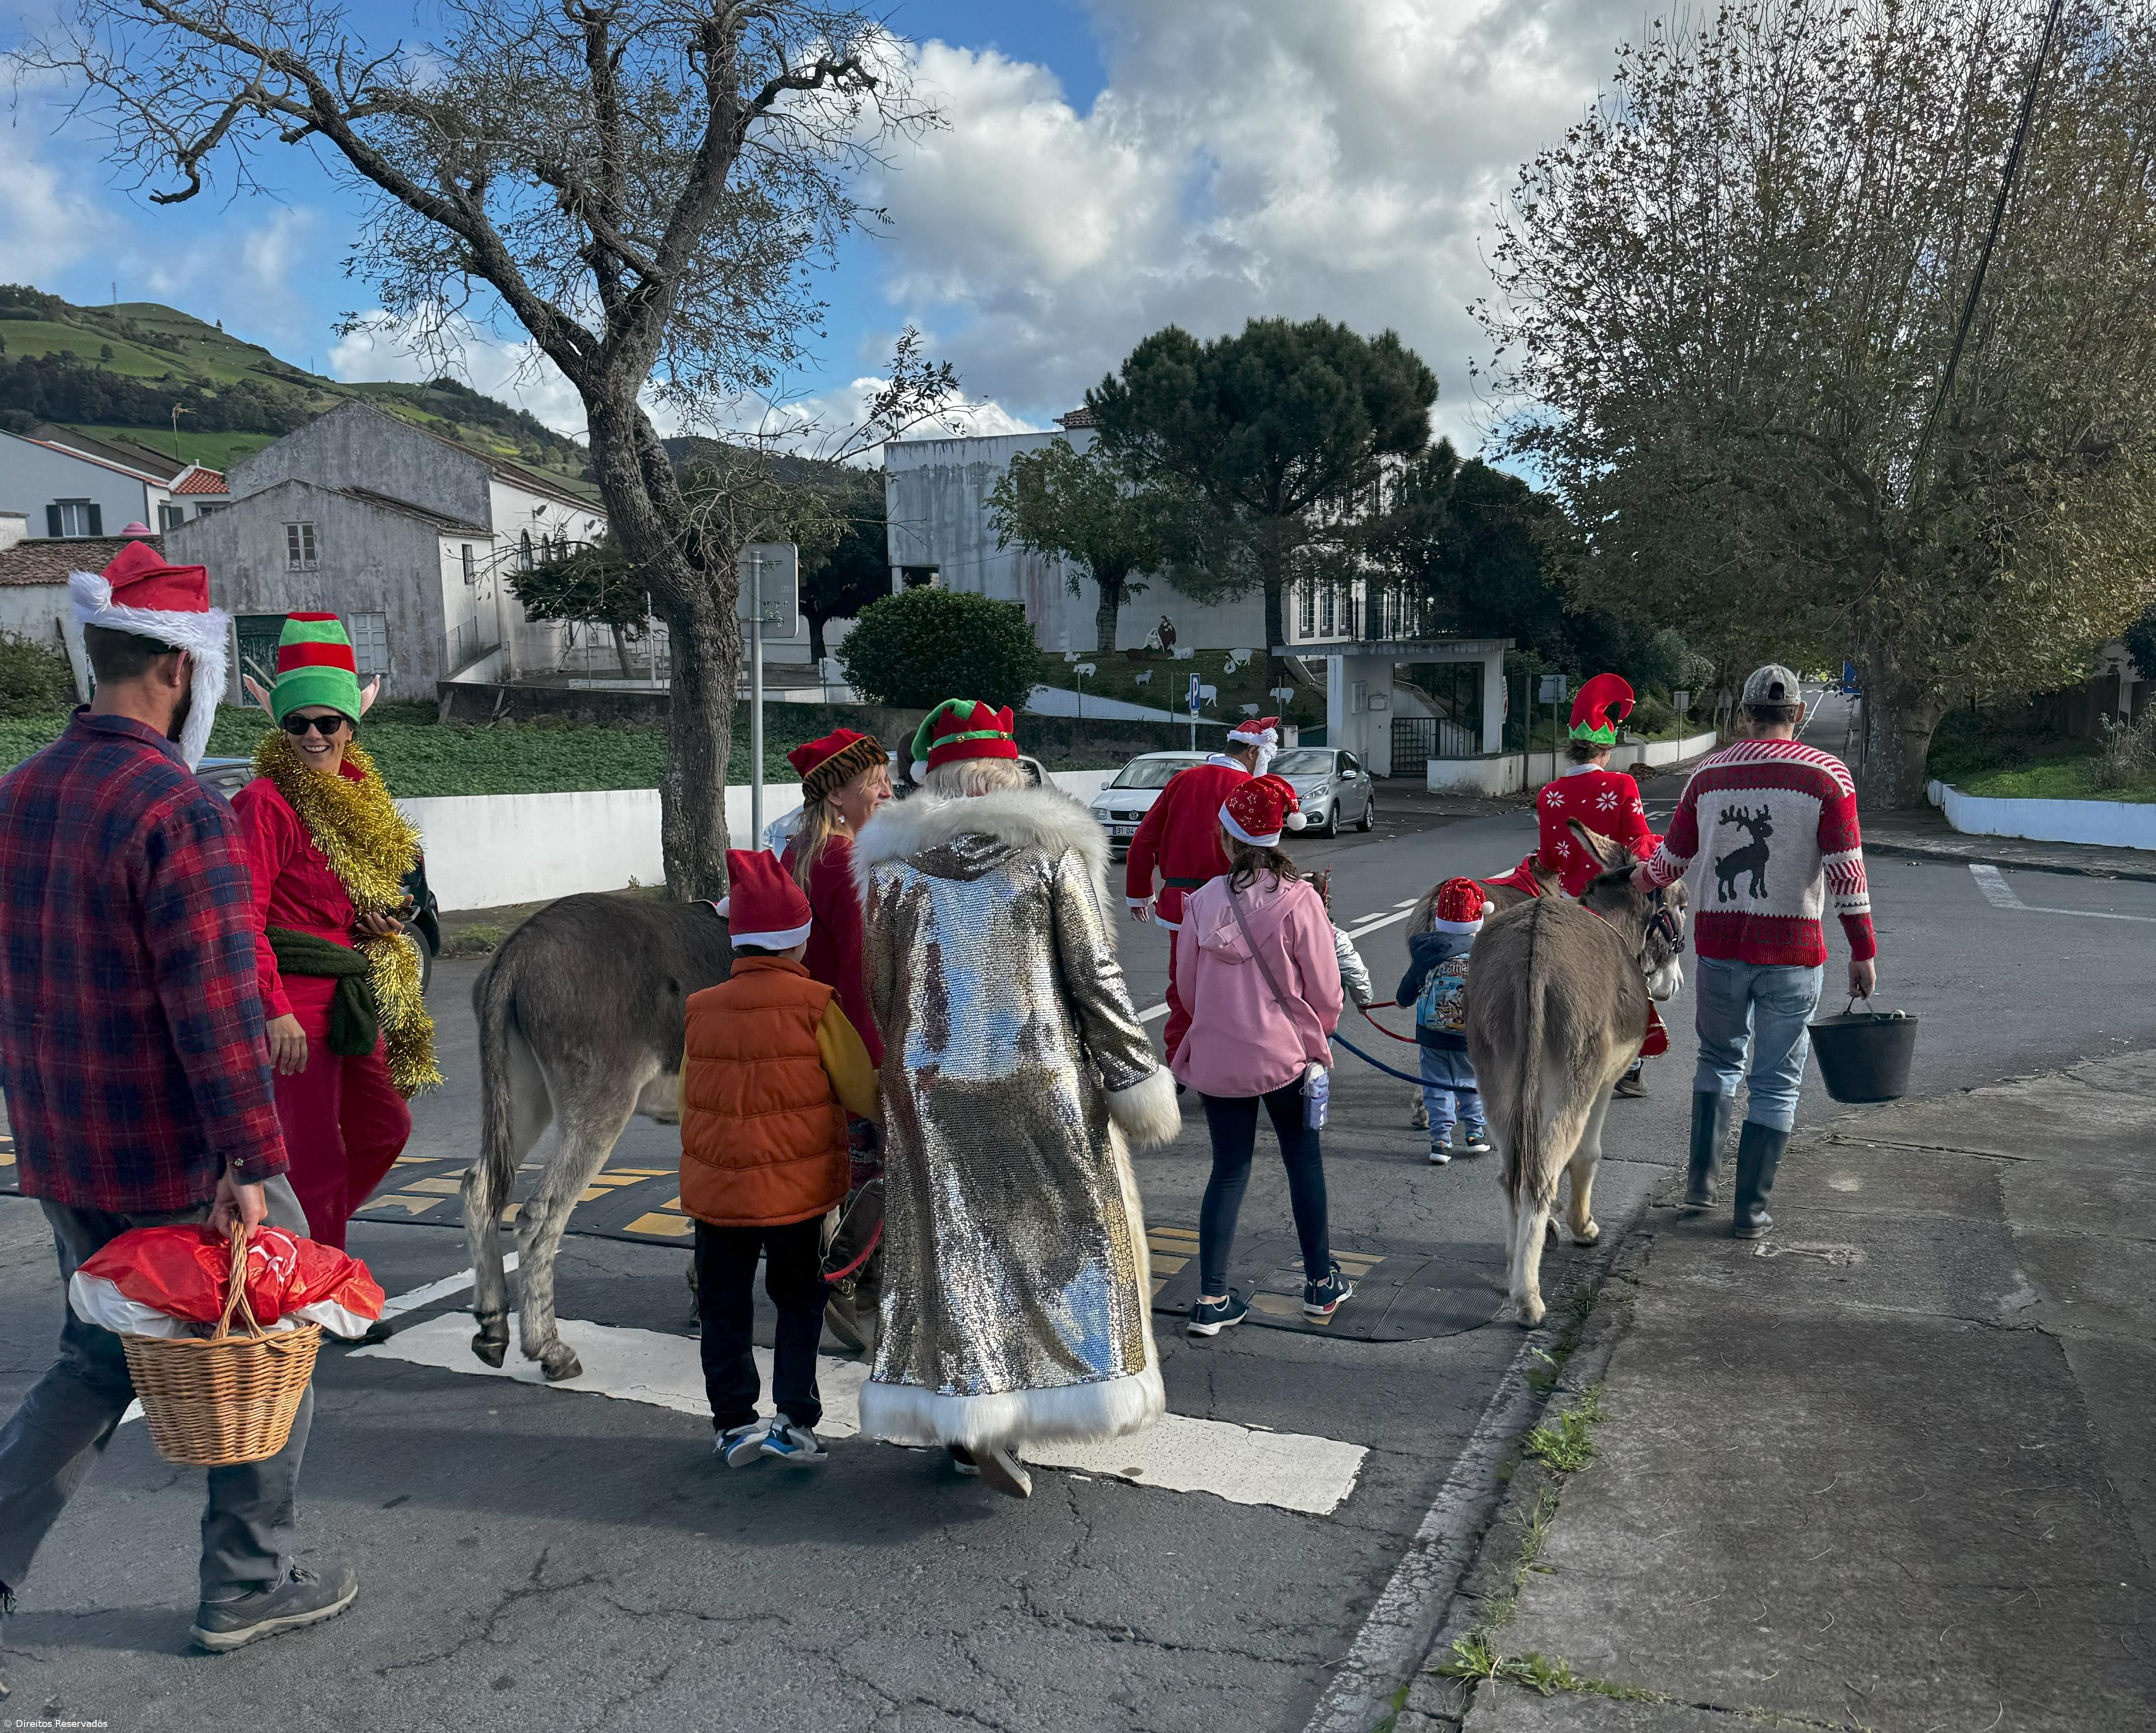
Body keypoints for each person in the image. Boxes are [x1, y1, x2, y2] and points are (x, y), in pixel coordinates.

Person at [0, 541, 353, 1666]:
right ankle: (247, 1581)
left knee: (96, 1356)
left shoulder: (18, 794)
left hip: (61, 1149)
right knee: (274, 1323)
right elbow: (211, 1009)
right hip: (172, 1157)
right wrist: (249, 1160)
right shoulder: (177, 808)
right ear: (180, 671)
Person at [854, 699, 1178, 1500]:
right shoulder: (1052, 855)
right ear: (1011, 770)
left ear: (934, 776)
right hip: (1041, 1080)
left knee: (954, 1249)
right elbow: (1096, 982)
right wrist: (1135, 1079)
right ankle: (1051, 1395)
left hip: (932, 1083)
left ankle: (972, 1418)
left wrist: (905, 1076)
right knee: (1065, 1240)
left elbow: (879, 990)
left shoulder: (893, 870)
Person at [1633, 664, 1878, 1239]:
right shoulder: (1829, 776)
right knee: (1776, 1083)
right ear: (1796, 713)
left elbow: (1670, 862)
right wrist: (1862, 951)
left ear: (1745, 714)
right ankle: (1751, 1212)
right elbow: (1847, 873)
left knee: (1718, 1062)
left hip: (1720, 948)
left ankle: (1699, 1187)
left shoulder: (1708, 774)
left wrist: (1635, 882)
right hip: (1794, 953)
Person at [232, 614, 437, 1251]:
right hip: (294, 1005)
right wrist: (273, 1010)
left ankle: (291, 1247)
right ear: (281, 726)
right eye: (298, 724)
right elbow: (242, 917)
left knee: (384, 1129)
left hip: (349, 995)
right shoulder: (265, 803)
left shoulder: (361, 799)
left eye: (328, 722)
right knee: (313, 1155)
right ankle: (318, 1276)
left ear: (352, 724)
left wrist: (380, 921)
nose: (314, 735)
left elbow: (354, 897)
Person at [683, 850, 879, 1470]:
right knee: (798, 1301)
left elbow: (692, 1093)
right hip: (796, 1193)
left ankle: (733, 1423)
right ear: (797, 943)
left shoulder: (700, 1010)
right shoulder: (816, 1004)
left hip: (719, 1196)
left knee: (724, 1305)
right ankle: (794, 1419)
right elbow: (860, 1090)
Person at [1171, 775, 1351, 1337]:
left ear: (1224, 840)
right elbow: (1325, 988)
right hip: (1284, 1058)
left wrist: (1217, 1027)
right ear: (1279, 840)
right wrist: (1319, 1034)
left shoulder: (1199, 903)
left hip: (1220, 1060)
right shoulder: (1300, 902)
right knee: (1303, 1163)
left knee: (1228, 1171)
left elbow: (1187, 987)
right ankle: (1321, 1286)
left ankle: (1211, 1297)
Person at [1535, 674, 1662, 1097]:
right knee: (1637, 972)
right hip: (1617, 903)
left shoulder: (1549, 793)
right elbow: (1639, 841)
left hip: (1572, 902)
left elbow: (1550, 860)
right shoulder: (1621, 784)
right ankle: (1631, 1065)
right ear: (1605, 751)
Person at [1124, 715, 1277, 1061]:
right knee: (1235, 985)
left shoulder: (1184, 780)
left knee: (1183, 987)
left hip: (1181, 904)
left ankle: (1181, 1058)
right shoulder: (1253, 791)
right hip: (1236, 905)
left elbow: (1144, 839)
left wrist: (1139, 893)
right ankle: (1229, 1058)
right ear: (1253, 752)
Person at [781, 727, 894, 1066]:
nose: (888, 793)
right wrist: (873, 1067)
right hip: (845, 1048)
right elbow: (860, 974)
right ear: (836, 795)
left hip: (810, 1034)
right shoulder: (844, 861)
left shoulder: (798, 849)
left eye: (888, 780)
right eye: (876, 783)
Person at [1397, 878, 1492, 1165]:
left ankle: (1440, 1141)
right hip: (1470, 1036)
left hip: (1432, 1034)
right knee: (1471, 1080)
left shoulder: (1426, 951)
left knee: (1435, 1085)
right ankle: (1475, 1134)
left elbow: (1406, 993)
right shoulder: (1484, 953)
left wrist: (1403, 1001)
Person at [1307, 870, 1374, 1011]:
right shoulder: (1334, 937)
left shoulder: (1279, 930)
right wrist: (1363, 1002)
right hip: (1319, 1011)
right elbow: (1355, 973)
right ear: (1324, 901)